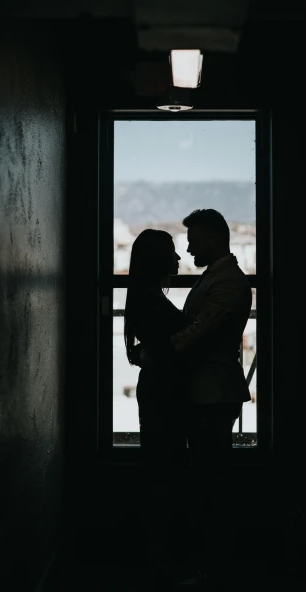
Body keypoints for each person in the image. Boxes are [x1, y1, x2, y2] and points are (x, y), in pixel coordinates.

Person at [135, 209, 253, 585]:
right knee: (207, 481)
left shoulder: (228, 282)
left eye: (194, 239)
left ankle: (214, 569)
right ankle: (211, 566)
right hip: (207, 391)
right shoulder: (218, 279)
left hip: (213, 393)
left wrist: (154, 353)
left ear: (214, 239)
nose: (187, 247)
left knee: (212, 483)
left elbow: (198, 332)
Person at [123, 228, 187, 580]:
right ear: (157, 260)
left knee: (161, 469)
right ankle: (161, 559)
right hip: (164, 394)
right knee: (165, 471)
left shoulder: (144, 297)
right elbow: (172, 346)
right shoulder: (151, 300)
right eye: (172, 253)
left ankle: (159, 557)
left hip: (158, 391)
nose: (179, 259)